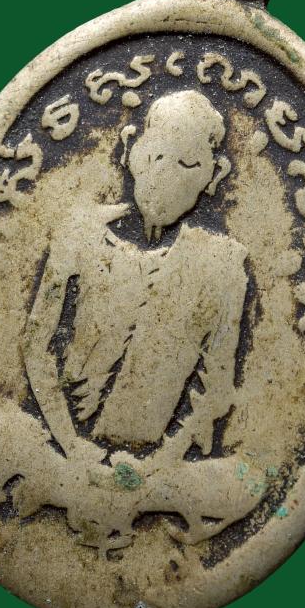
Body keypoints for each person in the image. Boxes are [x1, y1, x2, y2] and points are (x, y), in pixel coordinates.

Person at [23, 90, 248, 459]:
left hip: (156, 468)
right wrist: (70, 445)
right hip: (60, 449)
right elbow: (36, 344)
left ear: (214, 174)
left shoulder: (222, 265)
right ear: (130, 149)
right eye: (156, 156)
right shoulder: (79, 230)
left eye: (188, 164)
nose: (165, 177)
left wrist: (157, 466)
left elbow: (217, 391)